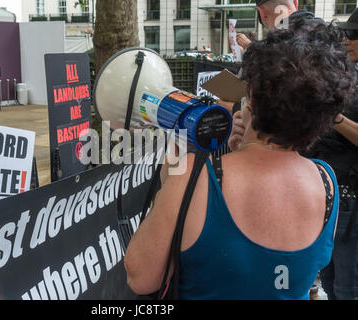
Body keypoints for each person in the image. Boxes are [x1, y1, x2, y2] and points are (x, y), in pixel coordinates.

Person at [124, 24, 356, 299]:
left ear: (253, 97)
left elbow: (142, 278)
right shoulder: (326, 180)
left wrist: (174, 178)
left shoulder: (195, 176)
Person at [300, 9, 358, 300]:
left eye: (354, 35)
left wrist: (334, 117)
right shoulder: (345, 74)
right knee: (333, 285)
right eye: (346, 33)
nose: (347, 40)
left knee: (348, 288)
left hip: (351, 200)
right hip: (330, 196)